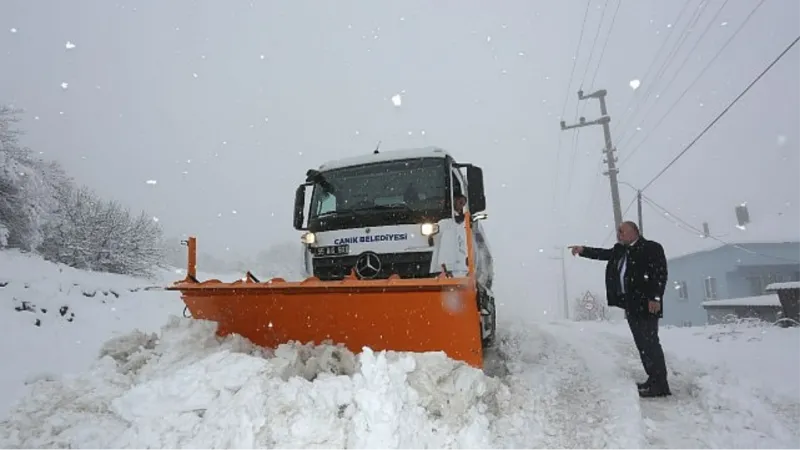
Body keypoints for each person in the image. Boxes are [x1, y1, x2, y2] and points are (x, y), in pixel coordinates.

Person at [568, 221, 672, 398]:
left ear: (634, 232)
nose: (619, 234)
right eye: (618, 232)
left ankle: (660, 384)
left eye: (622, 231)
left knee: (650, 342)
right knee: (642, 344)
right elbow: (603, 254)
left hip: (646, 303)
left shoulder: (651, 248)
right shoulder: (620, 250)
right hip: (631, 304)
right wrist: (583, 250)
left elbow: (660, 274)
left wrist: (655, 297)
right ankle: (652, 379)